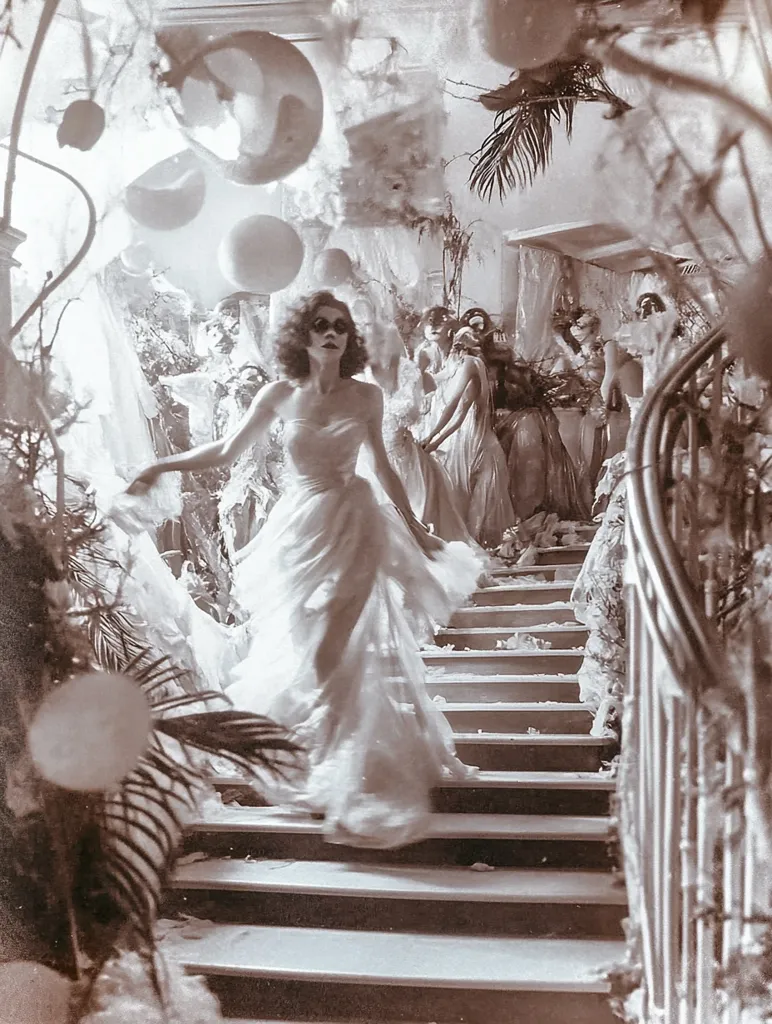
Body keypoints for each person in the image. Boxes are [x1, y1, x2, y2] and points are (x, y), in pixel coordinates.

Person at [128, 291, 481, 849]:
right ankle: (326, 756)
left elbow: (384, 469)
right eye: (320, 324)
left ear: (349, 337)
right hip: (297, 529)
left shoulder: (366, 396)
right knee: (307, 644)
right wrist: (158, 463)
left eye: (340, 326)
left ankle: (337, 772)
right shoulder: (280, 394)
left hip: (356, 523)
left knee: (330, 650)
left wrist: (416, 529)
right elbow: (225, 449)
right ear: (303, 335)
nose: (331, 333)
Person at [362, 317, 481, 547]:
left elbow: (415, 412)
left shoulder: (409, 372)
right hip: (371, 456)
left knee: (420, 512)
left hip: (405, 451)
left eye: (384, 341)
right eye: (374, 341)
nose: (380, 346)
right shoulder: (360, 375)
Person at [421, 326, 515, 548]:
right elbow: (458, 414)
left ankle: (481, 550)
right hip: (469, 443)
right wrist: (433, 440)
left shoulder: (471, 365)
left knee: (479, 511)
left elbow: (453, 407)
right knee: (463, 502)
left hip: (480, 446)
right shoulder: (461, 366)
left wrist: (433, 437)